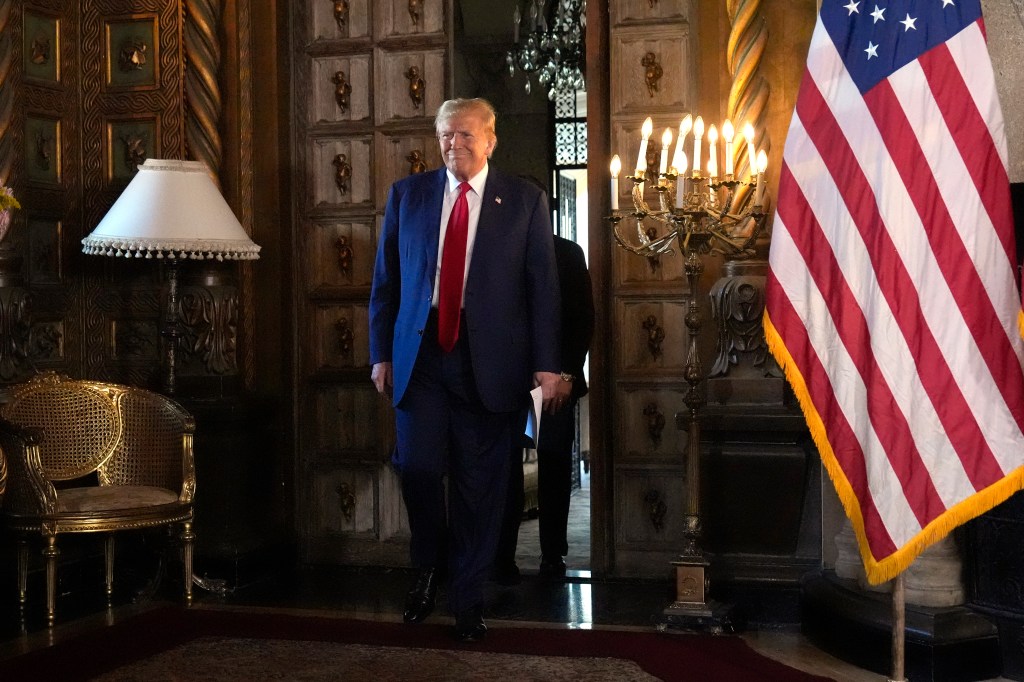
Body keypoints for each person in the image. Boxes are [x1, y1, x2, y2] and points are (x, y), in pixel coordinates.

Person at [369, 97, 562, 643]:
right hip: (422, 356)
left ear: (491, 139)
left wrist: (548, 366)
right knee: (420, 469)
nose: (455, 144)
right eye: (447, 136)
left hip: (490, 364)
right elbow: (386, 283)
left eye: (466, 136)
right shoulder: (408, 196)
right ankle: (428, 566)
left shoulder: (523, 201)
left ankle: (469, 597)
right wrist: (380, 352)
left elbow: (542, 289)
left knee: (482, 488)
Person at [495, 231, 594, 584]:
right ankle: (501, 557)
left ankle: (553, 556)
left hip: (552, 383)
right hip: (506, 383)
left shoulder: (566, 252)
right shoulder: (495, 247)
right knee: (505, 470)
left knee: (553, 465)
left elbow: (582, 319)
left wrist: (566, 373)